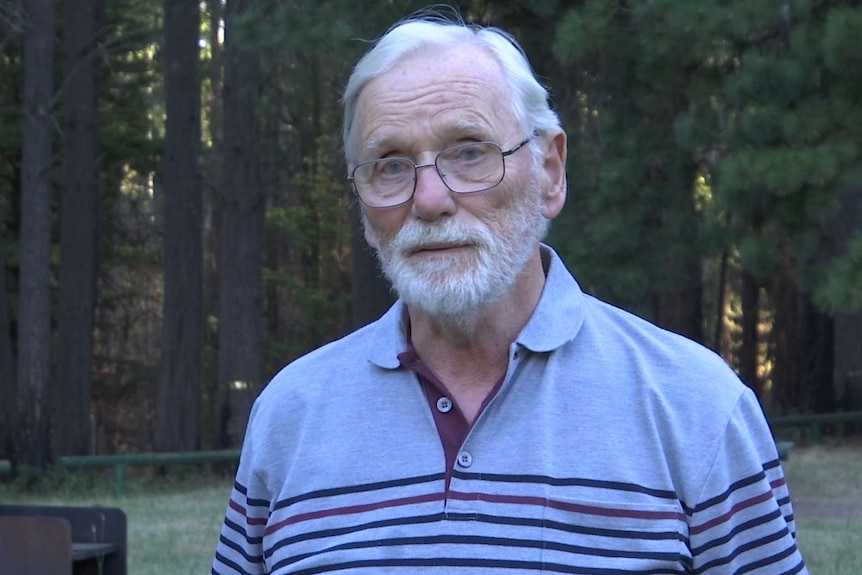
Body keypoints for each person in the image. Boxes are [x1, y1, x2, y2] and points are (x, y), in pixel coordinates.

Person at [212, 14, 808, 575]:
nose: (428, 200)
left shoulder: (696, 408)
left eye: (469, 152)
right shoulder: (289, 417)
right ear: (365, 210)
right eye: (390, 166)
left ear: (550, 172)